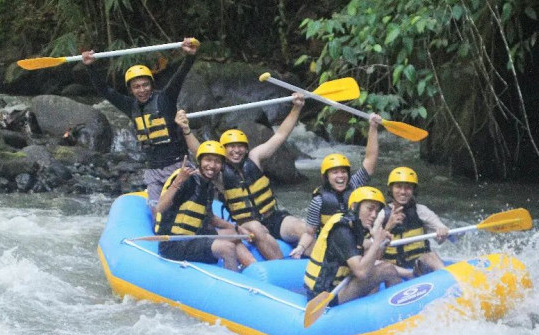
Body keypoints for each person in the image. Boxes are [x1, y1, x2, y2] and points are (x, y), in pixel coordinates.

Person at [81, 38, 200, 212]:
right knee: (155, 211)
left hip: (176, 165)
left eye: (145, 85)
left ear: (151, 85)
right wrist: (90, 66)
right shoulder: (130, 106)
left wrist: (189, 56)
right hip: (153, 169)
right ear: (131, 90)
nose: (142, 90)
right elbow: (105, 91)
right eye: (136, 87)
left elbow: (179, 77)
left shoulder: (166, 99)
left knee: (186, 209)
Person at [218, 93, 313, 260]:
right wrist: (186, 130)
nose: (236, 151)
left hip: (272, 217)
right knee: (256, 226)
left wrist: (296, 108)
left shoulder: (255, 157)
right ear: (223, 150)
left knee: (302, 228)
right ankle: (281, 269)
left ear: (246, 149)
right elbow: (199, 152)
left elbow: (280, 136)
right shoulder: (218, 171)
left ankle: (323, 267)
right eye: (231, 147)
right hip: (247, 224)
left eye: (240, 147)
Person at [154, 141, 256, 272]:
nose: (212, 166)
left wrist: (237, 228)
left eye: (217, 162)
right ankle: (234, 283)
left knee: (234, 235)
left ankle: (252, 267)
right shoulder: (186, 179)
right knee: (227, 248)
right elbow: (160, 208)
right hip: (174, 243)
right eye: (208, 160)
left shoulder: (208, 185)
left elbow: (210, 218)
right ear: (200, 161)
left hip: (195, 236)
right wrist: (178, 182)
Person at [304, 186, 401, 305]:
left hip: (338, 286)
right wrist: (376, 242)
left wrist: (381, 243)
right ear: (354, 206)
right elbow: (361, 272)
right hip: (325, 294)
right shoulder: (342, 231)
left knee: (377, 272)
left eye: (377, 211)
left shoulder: (356, 226)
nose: (373, 215)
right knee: (388, 270)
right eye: (370, 209)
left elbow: (372, 260)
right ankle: (399, 310)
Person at [304, 113, 382, 236]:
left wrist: (373, 127)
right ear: (326, 177)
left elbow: (370, 159)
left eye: (343, 171)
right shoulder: (318, 201)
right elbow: (310, 232)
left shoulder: (355, 185)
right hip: (332, 245)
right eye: (335, 172)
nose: (341, 176)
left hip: (356, 241)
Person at [383, 167, 449, 279]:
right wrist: (388, 227)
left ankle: (448, 279)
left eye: (408, 188)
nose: (403, 192)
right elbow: (372, 245)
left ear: (413, 190)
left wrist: (442, 231)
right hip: (394, 269)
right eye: (398, 187)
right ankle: (409, 276)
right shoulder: (381, 214)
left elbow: (440, 237)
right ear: (391, 189)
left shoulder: (421, 210)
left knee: (430, 255)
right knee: (384, 265)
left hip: (418, 265)